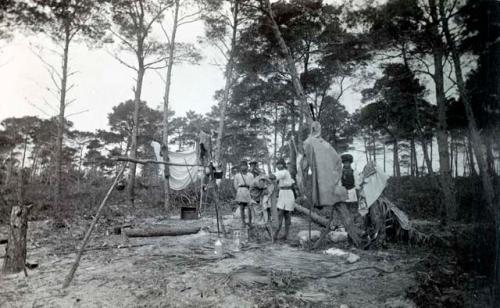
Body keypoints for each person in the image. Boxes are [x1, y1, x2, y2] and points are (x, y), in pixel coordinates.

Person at [273, 158, 296, 241]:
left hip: (288, 194)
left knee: (286, 215)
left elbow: (274, 176)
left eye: (280, 164)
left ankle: (285, 234)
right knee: (280, 214)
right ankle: (276, 234)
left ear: (283, 165)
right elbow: (275, 177)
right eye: (277, 164)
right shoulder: (282, 173)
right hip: (282, 193)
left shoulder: (285, 172)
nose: (279, 166)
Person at [234, 160, 254, 227]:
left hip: (248, 191)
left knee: (250, 208)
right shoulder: (237, 175)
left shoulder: (250, 175)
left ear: (247, 167)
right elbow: (235, 185)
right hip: (240, 191)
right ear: (240, 167)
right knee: (241, 208)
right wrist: (239, 190)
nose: (243, 167)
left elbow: (252, 184)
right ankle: (243, 222)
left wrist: (251, 192)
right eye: (242, 166)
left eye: (244, 166)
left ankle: (250, 222)